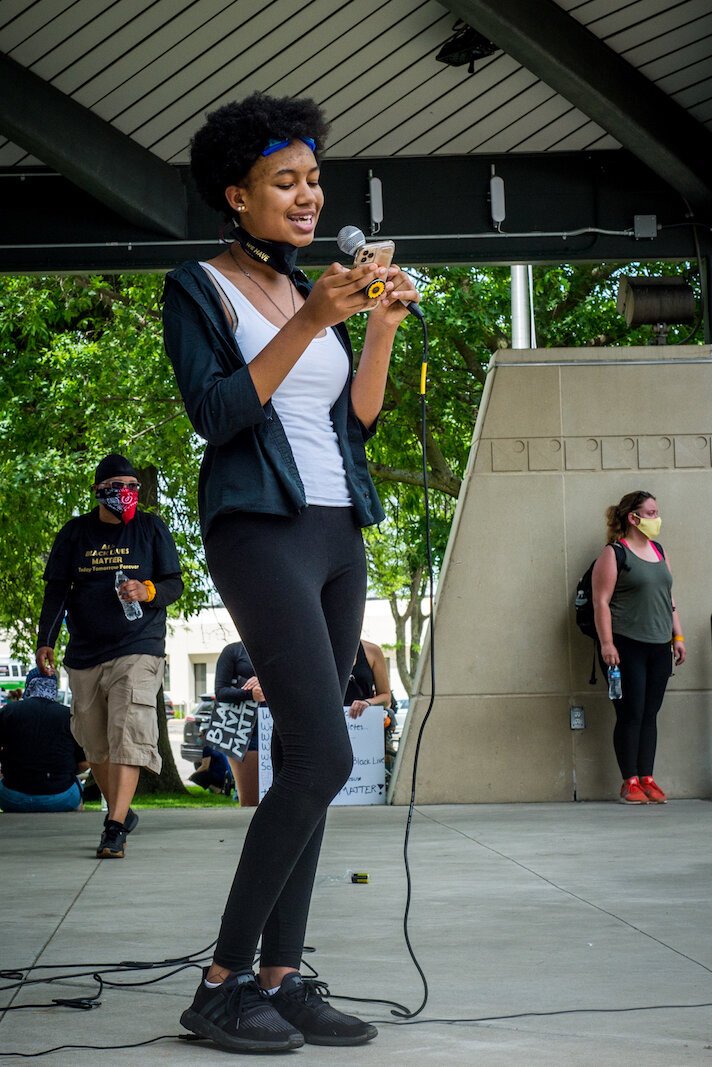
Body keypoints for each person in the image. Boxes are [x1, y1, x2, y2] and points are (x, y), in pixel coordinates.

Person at [163, 90, 419, 1053]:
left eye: (314, 179)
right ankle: (222, 982)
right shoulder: (201, 286)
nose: (308, 197)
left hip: (335, 528)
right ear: (237, 195)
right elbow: (220, 411)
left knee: (312, 760)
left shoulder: (315, 290)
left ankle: (281, 974)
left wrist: (379, 323)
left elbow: (349, 424)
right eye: (285, 182)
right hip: (259, 527)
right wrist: (314, 318)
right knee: (322, 753)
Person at [35, 453, 183, 858]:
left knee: (129, 730)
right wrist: (44, 640)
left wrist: (148, 591)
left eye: (133, 486)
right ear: (99, 492)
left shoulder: (152, 529)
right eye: (117, 486)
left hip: (138, 646)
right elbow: (57, 592)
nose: (126, 493)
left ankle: (114, 825)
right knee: (94, 741)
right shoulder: (74, 534)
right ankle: (124, 809)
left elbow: (174, 583)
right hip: (84, 652)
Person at [592, 490, 685, 805]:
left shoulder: (659, 551)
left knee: (650, 713)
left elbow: (669, 600)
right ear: (633, 518)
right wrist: (607, 643)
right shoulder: (614, 553)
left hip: (659, 646)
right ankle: (629, 781)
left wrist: (678, 637)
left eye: (657, 512)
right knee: (630, 713)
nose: (656, 518)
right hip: (625, 645)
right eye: (651, 512)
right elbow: (601, 602)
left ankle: (647, 778)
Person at [0, 669, 88, 812]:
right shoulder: (69, 716)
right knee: (76, 785)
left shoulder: (8, 711)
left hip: (12, 797)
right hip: (61, 797)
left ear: (28, 685)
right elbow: (84, 763)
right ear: (55, 686)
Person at [214, 641, 263, 808]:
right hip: (244, 729)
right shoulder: (234, 651)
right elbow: (220, 692)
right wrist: (250, 693)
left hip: (280, 728)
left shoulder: (285, 647)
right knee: (251, 800)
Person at [344, 638, 392, 720]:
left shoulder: (372, 651)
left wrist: (367, 703)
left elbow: (386, 697)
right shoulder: (321, 649)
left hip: (363, 724)